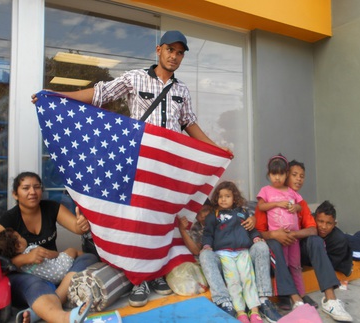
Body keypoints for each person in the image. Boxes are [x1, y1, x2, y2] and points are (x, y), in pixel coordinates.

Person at [32, 30, 233, 308]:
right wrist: (58, 95)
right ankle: (140, 279)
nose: (174, 56)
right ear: (158, 50)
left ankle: (158, 273)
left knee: (163, 221)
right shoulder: (134, 77)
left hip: (169, 166)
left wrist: (217, 150)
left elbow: (190, 124)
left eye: (180, 52)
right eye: (170, 50)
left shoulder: (182, 90)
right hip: (142, 162)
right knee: (138, 219)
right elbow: (100, 94)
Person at [0, 172, 99, 323]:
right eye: (26, 188)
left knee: (89, 257)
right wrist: (24, 259)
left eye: (36, 187)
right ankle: (64, 317)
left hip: (55, 269)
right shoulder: (9, 218)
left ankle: (42, 309)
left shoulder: (51, 207)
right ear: (15, 194)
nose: (32, 192)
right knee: (37, 284)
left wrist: (81, 224)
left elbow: (76, 227)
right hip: (26, 277)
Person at [255, 160, 353, 322]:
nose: (299, 179)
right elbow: (258, 232)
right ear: (285, 176)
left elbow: (313, 229)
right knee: (273, 244)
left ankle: (330, 300)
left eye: (302, 176)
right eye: (294, 175)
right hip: (274, 253)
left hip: (295, 248)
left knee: (314, 240)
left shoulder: (300, 202)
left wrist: (295, 234)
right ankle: (295, 298)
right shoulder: (269, 198)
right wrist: (275, 235)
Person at [178, 200, 282, 322]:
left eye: (205, 210)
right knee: (205, 254)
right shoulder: (197, 227)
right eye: (198, 213)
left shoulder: (232, 216)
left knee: (261, 246)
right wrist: (182, 231)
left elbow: (249, 210)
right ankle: (224, 303)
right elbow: (196, 251)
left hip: (244, 259)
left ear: (212, 209)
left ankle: (263, 299)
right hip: (223, 264)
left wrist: (252, 219)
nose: (202, 215)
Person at [202, 181, 263, 323]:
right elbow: (208, 234)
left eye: (227, 196)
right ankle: (240, 312)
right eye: (220, 196)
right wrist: (207, 245)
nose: (223, 199)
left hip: (243, 252)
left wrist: (256, 238)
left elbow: (251, 229)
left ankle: (254, 311)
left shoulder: (243, 213)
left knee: (248, 278)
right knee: (233, 281)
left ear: (234, 198)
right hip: (224, 254)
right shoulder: (213, 216)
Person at [256, 154, 306, 306]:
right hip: (279, 237)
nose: (277, 178)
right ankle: (286, 296)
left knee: (295, 265)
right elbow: (261, 206)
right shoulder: (266, 190)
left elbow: (299, 206)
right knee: (282, 265)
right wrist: (278, 204)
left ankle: (300, 294)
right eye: (273, 174)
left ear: (286, 174)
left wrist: (293, 206)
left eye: (281, 174)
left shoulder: (291, 191)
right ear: (269, 174)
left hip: (293, 237)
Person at [0, 227, 82, 292]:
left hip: (51, 280)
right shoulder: (31, 249)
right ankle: (91, 256)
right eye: (20, 236)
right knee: (72, 250)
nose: (22, 236)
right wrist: (60, 254)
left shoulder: (18, 267)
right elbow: (50, 254)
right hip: (60, 269)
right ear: (19, 245)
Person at [313, 200, 353, 276]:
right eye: (320, 221)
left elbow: (327, 267)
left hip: (351, 246)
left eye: (329, 223)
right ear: (314, 219)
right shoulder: (308, 227)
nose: (324, 227)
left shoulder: (339, 241)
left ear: (334, 224)